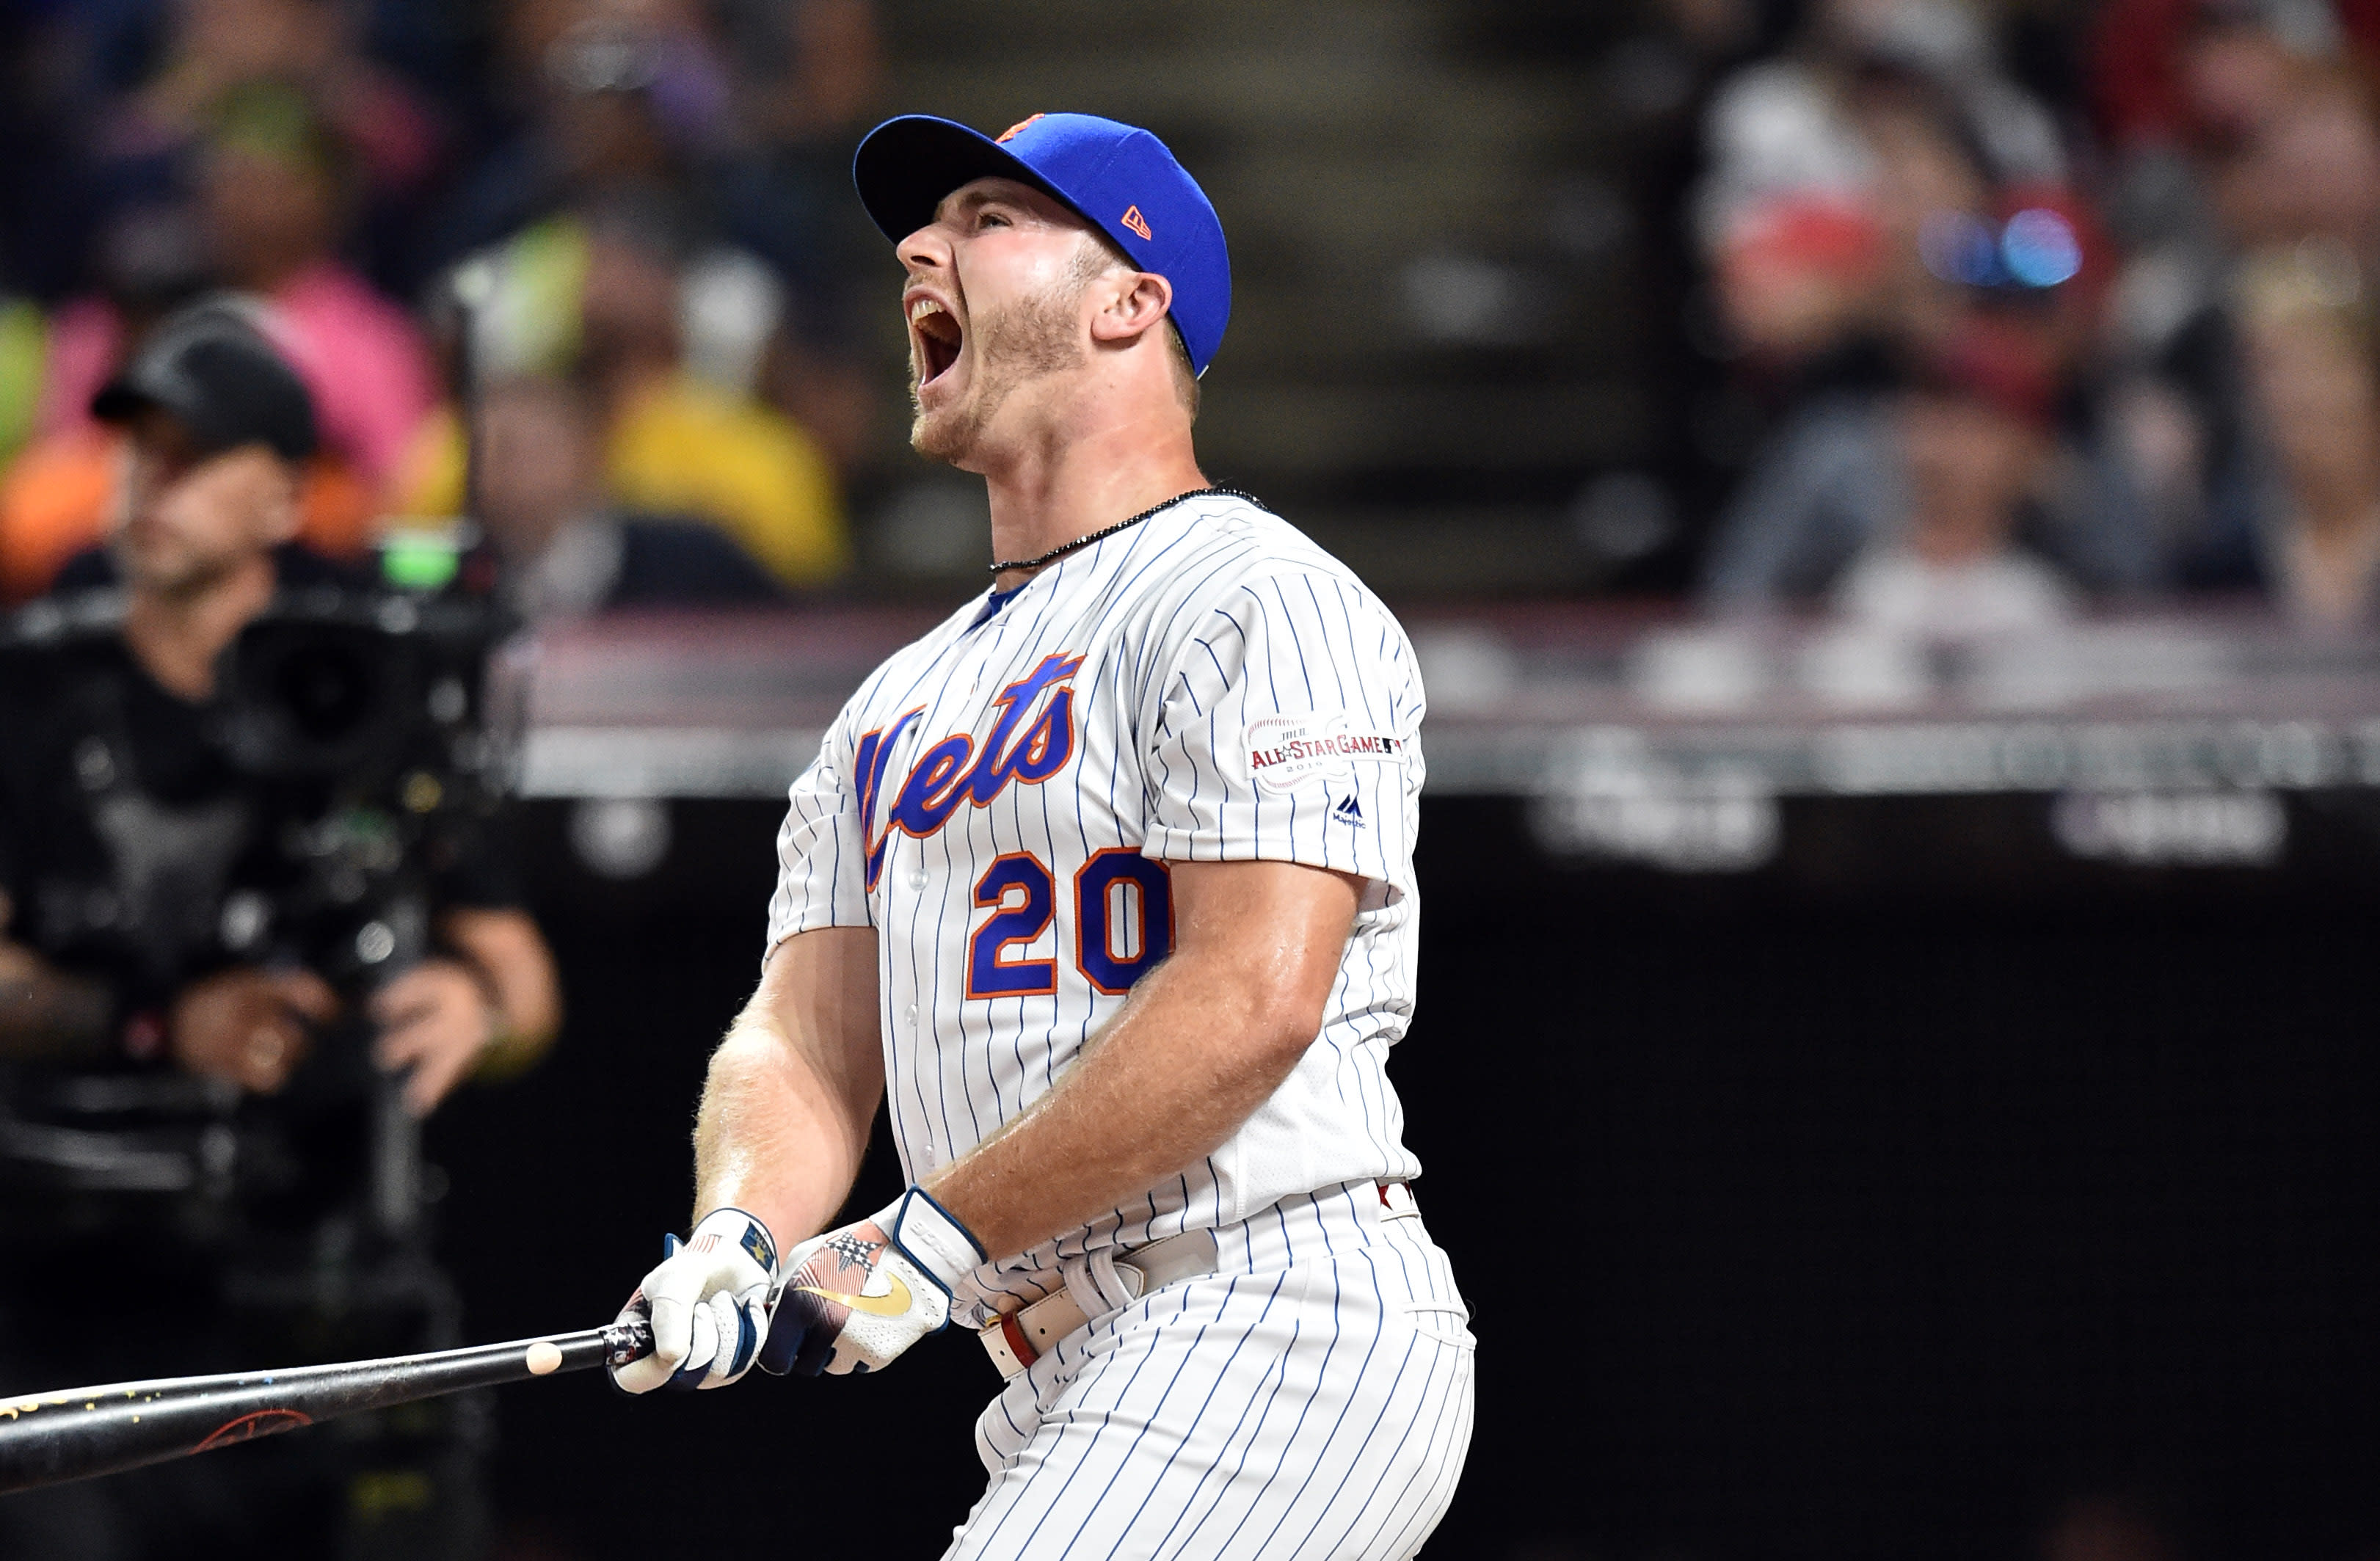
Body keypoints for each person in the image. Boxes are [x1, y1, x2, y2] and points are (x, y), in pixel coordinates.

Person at [607, 112, 1475, 1558]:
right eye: (924, 223)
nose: (916, 248)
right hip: (1067, 1367)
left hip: (1268, 1307)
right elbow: (805, 1040)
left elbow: (1252, 994)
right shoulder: (893, 697)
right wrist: (737, 1236)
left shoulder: (1253, 593)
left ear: (1130, 298)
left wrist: (925, 1240)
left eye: (987, 216)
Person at [0, 308, 559, 1560]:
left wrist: (473, 1006)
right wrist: (151, 1019)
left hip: (321, 1286)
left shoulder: (366, 694)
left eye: (194, 454)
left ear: (283, 496)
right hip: (63, 1285)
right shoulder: (31, 691)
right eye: (138, 449)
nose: (151, 479)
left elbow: (526, 983)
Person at [470, 371, 785, 619]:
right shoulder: (462, 575)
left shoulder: (694, 559)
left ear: (591, 455)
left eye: (529, 451)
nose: (510, 473)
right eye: (488, 452)